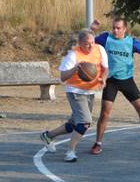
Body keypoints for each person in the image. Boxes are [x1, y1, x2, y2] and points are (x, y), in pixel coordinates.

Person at [90, 17, 140, 154]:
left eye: (118, 28)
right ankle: (97, 143)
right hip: (111, 81)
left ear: (124, 29)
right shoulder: (105, 38)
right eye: (113, 27)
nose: (115, 30)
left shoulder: (131, 42)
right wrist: (92, 29)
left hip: (127, 80)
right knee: (105, 113)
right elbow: (87, 40)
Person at [40, 29, 108, 162]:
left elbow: (105, 68)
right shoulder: (73, 55)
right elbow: (63, 77)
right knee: (85, 123)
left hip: (90, 92)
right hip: (75, 92)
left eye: (92, 42)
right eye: (87, 43)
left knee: (73, 124)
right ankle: (70, 151)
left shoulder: (99, 49)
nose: (90, 46)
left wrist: (103, 79)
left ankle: (48, 136)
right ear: (80, 43)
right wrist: (75, 69)